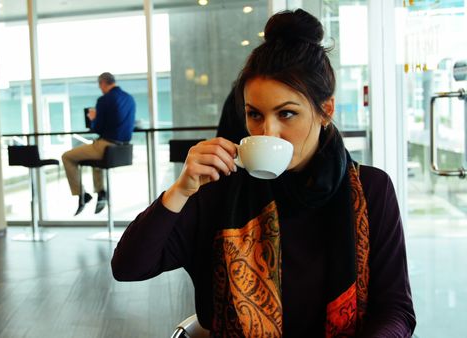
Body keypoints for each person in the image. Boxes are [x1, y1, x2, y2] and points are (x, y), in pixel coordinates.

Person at [112, 9, 415, 337]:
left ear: (325, 110)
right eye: (254, 114)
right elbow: (128, 267)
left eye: (287, 113)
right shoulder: (219, 190)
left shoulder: (370, 189)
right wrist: (180, 190)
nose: (266, 131)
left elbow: (395, 308)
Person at [62, 72, 136, 216]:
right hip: (124, 148)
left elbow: (98, 129)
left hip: (107, 146)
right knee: (96, 157)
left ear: (102, 83)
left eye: (99, 85)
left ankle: (82, 194)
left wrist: (93, 118)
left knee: (67, 156)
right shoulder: (130, 98)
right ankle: (101, 192)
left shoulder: (104, 100)